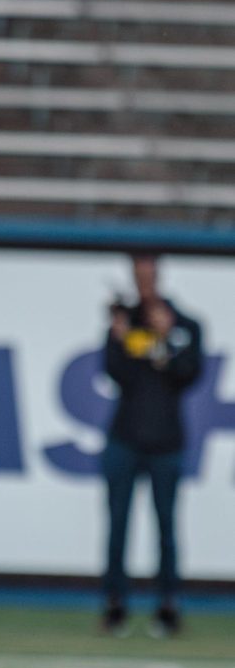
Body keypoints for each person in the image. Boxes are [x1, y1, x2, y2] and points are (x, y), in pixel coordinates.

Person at [100, 253, 203, 637]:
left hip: (167, 442)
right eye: (137, 275)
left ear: (158, 276)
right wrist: (118, 336)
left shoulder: (186, 324)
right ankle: (115, 605)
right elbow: (113, 373)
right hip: (124, 438)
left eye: (148, 274)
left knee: (166, 527)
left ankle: (168, 606)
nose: (143, 282)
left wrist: (165, 339)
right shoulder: (125, 321)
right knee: (118, 526)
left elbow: (189, 374)